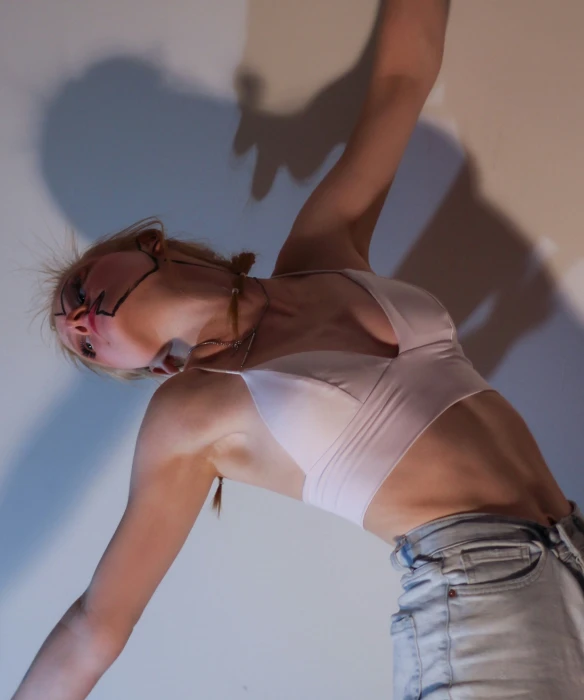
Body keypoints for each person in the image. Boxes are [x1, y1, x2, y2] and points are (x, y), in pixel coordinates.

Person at [13, 2, 584, 698]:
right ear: (145, 365)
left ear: (143, 246)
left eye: (75, 290)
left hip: (571, 541)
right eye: (83, 348)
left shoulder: (323, 252)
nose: (77, 321)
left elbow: (404, 78)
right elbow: (93, 627)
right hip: (479, 603)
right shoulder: (190, 411)